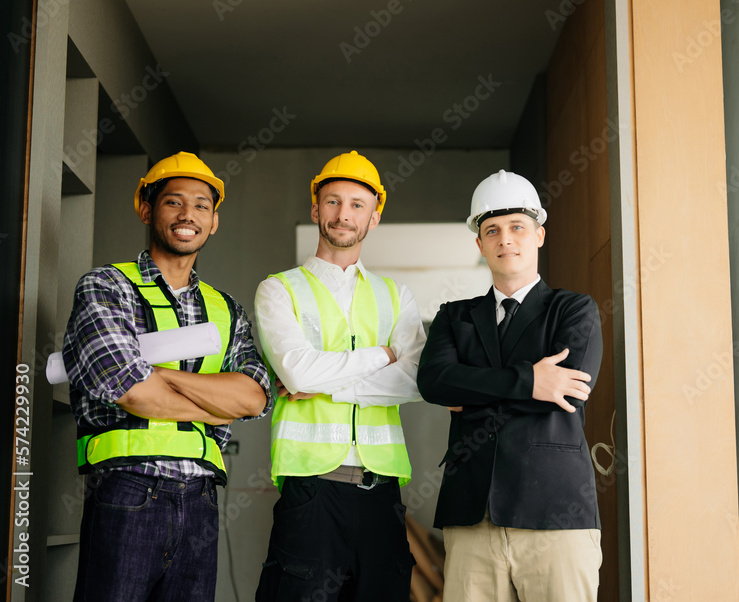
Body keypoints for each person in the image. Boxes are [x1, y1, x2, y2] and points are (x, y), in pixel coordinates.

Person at [62, 151, 272, 601]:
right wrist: (214, 408)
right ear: (147, 209)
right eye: (173, 202)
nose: (187, 215)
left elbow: (254, 398)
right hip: (126, 490)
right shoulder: (105, 287)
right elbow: (132, 392)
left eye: (201, 205)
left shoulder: (227, 310)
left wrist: (158, 374)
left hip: (200, 499)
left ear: (213, 221)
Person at [417, 169, 604, 602]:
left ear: (538, 234)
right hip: (471, 517)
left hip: (556, 514)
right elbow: (435, 382)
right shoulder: (454, 316)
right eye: (492, 230)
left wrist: (472, 391)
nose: (506, 239)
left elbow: (566, 395)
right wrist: (530, 380)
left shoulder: (574, 310)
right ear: (479, 244)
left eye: (517, 227)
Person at [254, 150, 425, 601]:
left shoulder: (397, 295)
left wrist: (318, 380)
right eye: (332, 202)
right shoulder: (279, 289)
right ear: (315, 210)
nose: (343, 214)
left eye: (356, 204)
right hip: (310, 491)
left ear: (374, 218)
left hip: (381, 494)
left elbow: (414, 379)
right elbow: (296, 369)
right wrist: (381, 355)